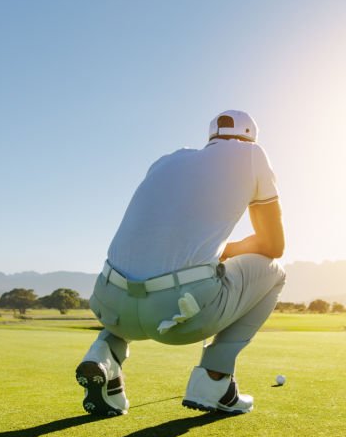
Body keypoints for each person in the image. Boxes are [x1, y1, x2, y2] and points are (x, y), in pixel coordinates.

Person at [76, 110, 286, 416]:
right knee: (275, 273)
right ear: (250, 135)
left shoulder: (166, 161)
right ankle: (214, 380)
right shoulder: (251, 154)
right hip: (179, 313)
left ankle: (105, 354)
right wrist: (225, 251)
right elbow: (273, 246)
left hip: (111, 304)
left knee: (140, 274)